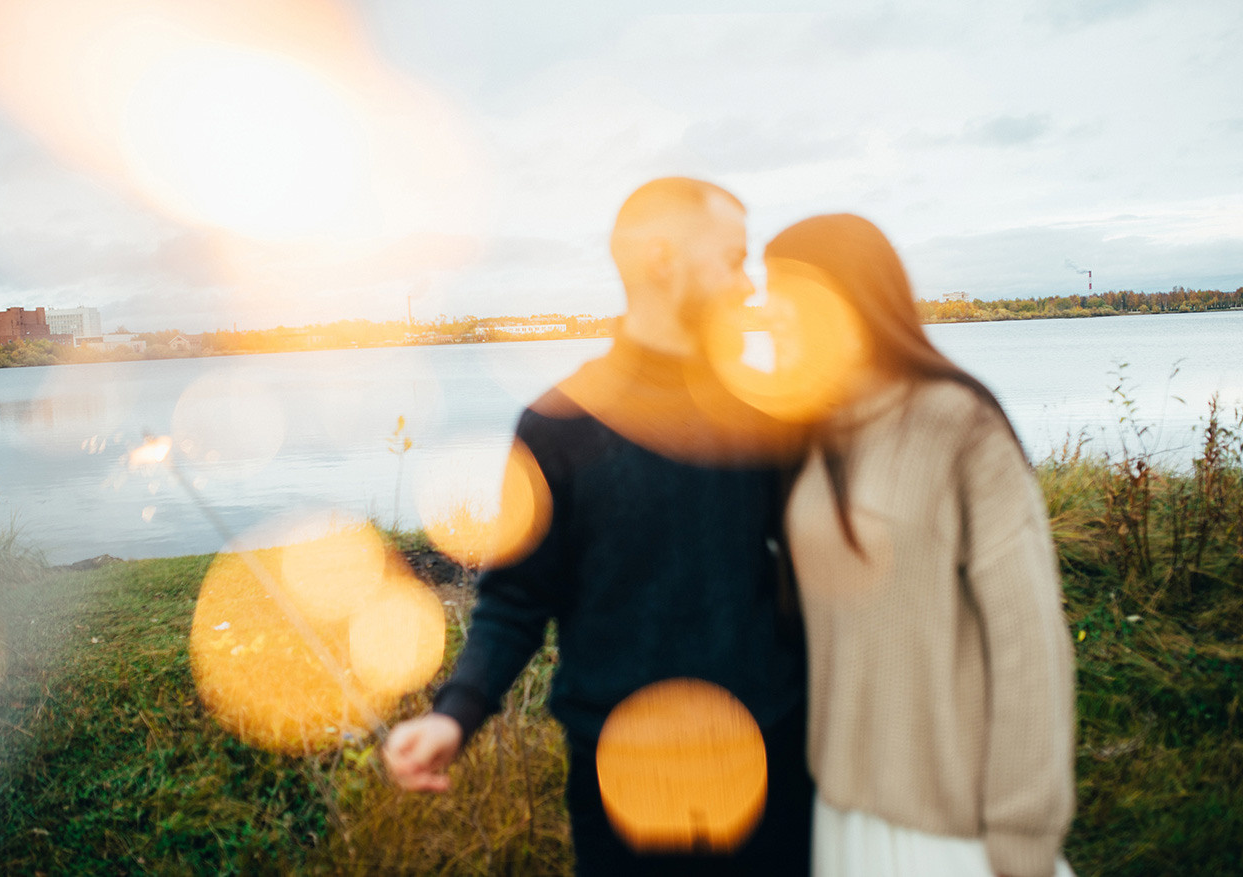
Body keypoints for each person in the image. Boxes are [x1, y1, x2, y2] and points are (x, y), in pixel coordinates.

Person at [382, 178, 814, 875]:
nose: (748, 284)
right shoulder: (559, 424)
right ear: (661, 257)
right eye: (733, 258)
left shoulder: (766, 413)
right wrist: (453, 713)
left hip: (771, 765)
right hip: (624, 784)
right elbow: (517, 597)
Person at [766, 214, 1076, 877]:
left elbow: (1030, 645)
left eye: (789, 297)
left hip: (951, 824)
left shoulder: (960, 424)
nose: (772, 316)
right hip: (839, 813)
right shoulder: (806, 438)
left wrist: (1024, 830)